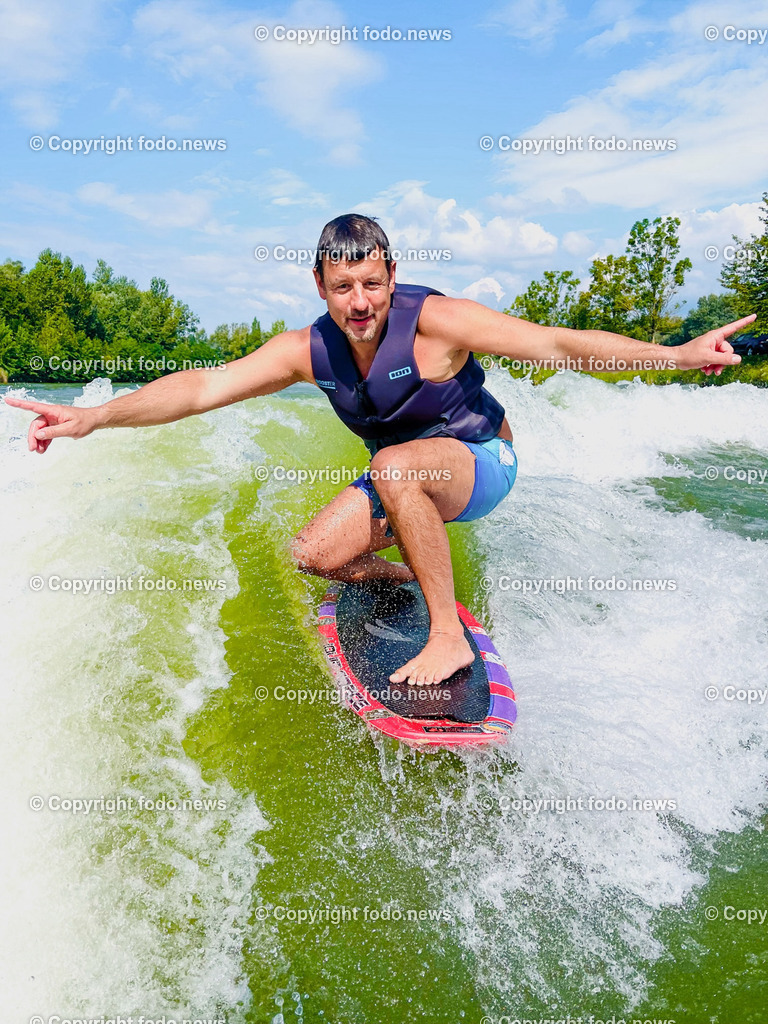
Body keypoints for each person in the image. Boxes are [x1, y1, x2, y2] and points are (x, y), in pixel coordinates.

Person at [4, 214, 753, 686]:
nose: (359, 302)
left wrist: (678, 356)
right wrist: (93, 417)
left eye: (371, 283)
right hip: (407, 477)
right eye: (342, 288)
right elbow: (202, 387)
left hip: (482, 461)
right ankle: (420, 576)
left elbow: (558, 343)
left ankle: (447, 637)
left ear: (391, 274)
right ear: (320, 285)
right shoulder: (308, 348)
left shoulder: (439, 320)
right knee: (315, 556)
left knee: (397, 465)